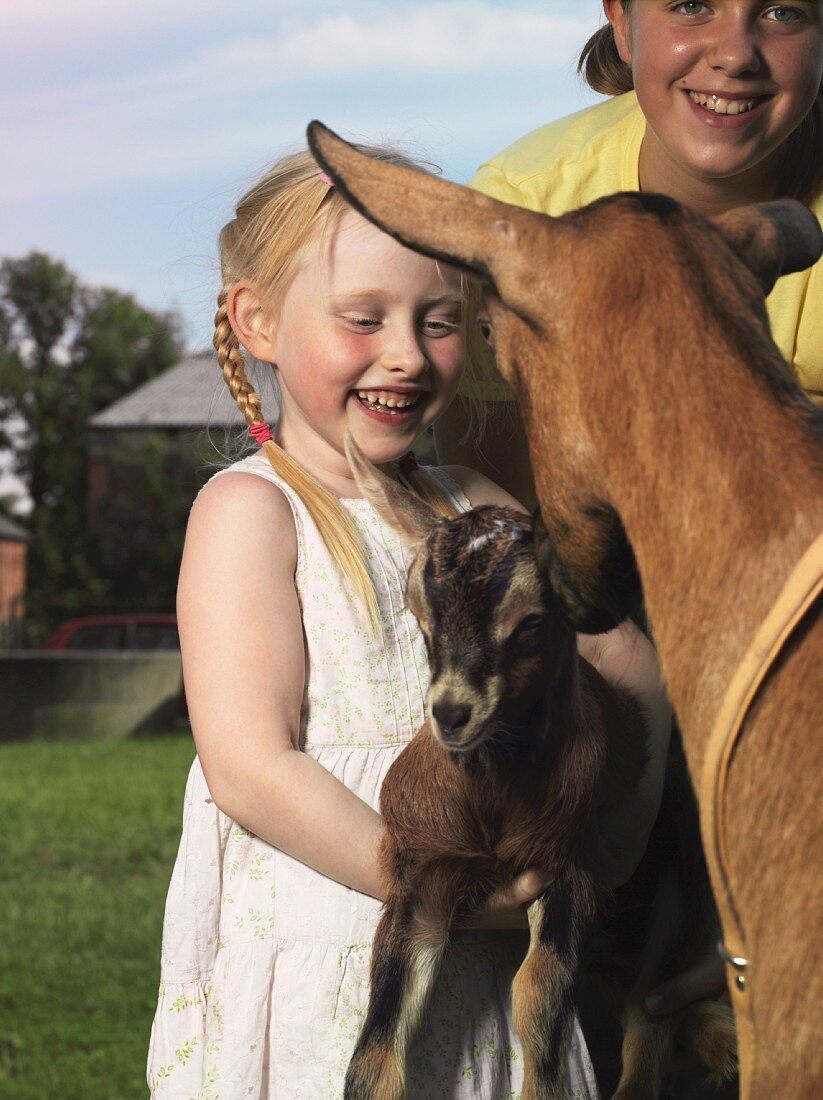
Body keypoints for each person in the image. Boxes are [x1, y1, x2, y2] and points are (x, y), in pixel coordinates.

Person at [146, 146, 673, 1099]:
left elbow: (613, 649)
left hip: (489, 952)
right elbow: (252, 768)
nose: (406, 354)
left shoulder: (468, 504)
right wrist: (442, 896)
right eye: (363, 320)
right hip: (339, 943)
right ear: (256, 320)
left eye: (439, 322)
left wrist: (606, 836)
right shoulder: (252, 512)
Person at [437, 0, 823, 508]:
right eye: (691, 6)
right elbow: (497, 505)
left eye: (782, 12)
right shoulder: (520, 210)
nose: (735, 56)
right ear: (621, 22)